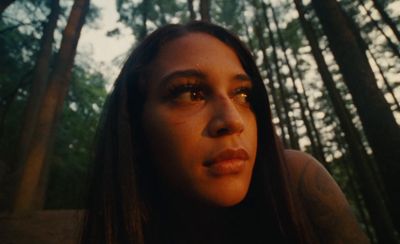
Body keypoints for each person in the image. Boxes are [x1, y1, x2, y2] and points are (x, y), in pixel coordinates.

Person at [80, 21, 369, 244]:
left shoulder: (296, 180)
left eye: (242, 94)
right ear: (134, 123)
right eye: (190, 92)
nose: (232, 120)